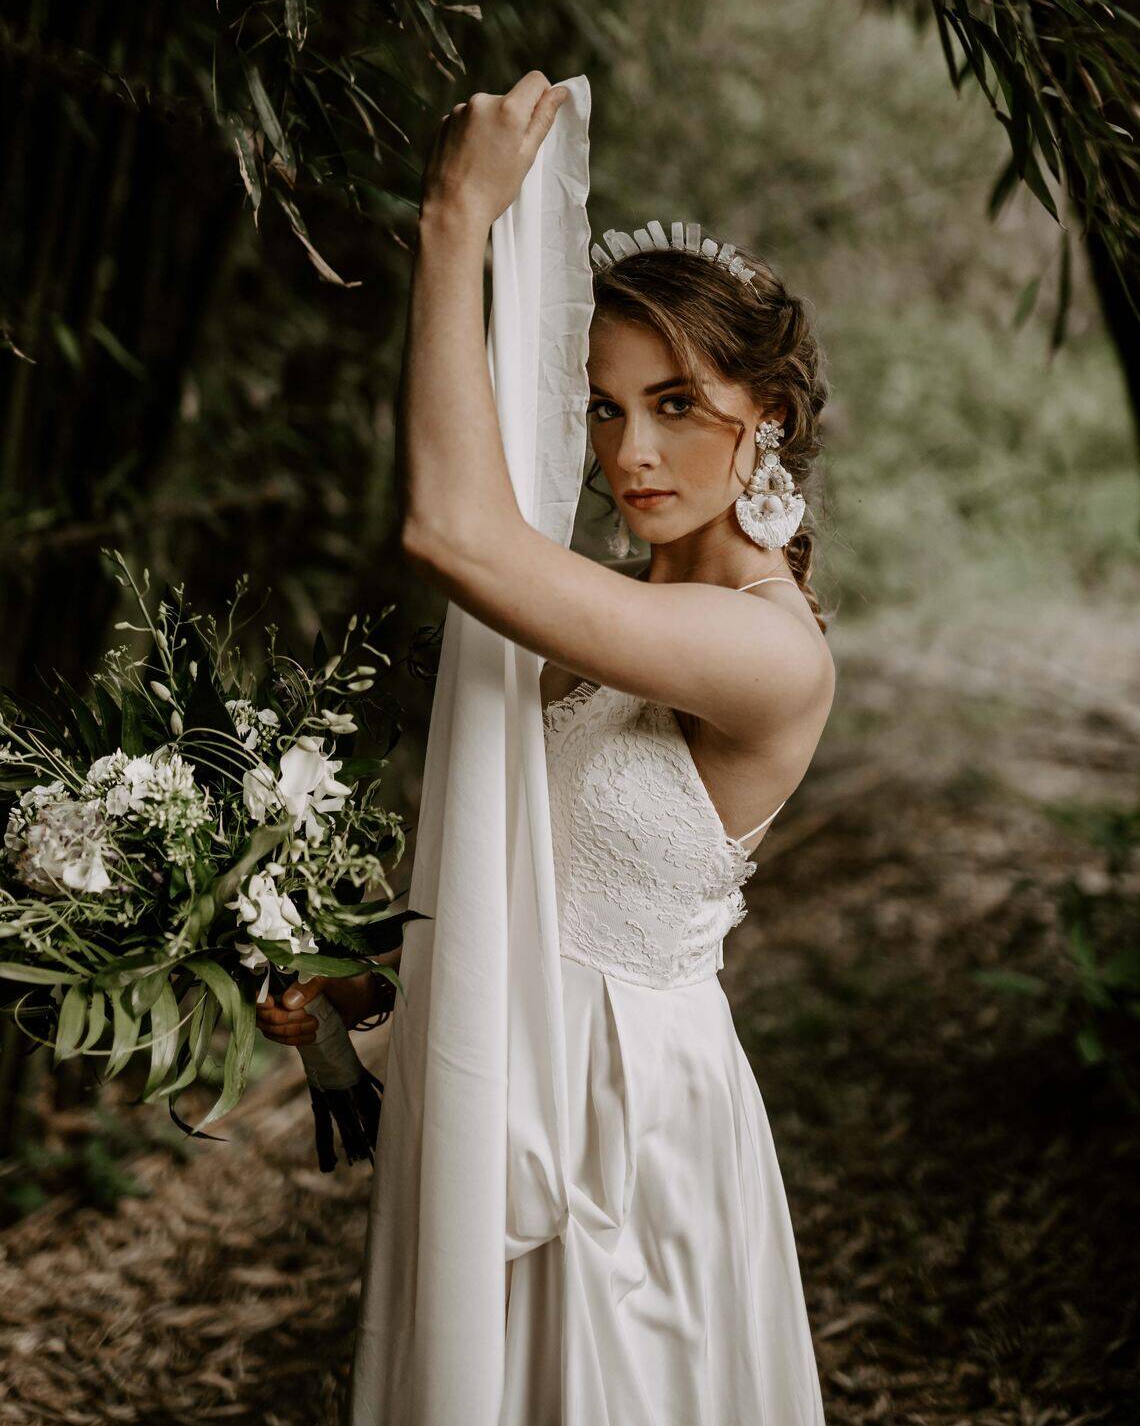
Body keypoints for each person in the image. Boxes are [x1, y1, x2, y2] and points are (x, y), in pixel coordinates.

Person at [258, 72, 835, 1422]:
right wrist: (348, 1004)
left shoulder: (766, 646)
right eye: (601, 406)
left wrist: (455, 220)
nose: (631, 450)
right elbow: (529, 910)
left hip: (630, 1147)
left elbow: (454, 534)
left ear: (770, 416)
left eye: (678, 403)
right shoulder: (612, 626)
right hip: (506, 1118)